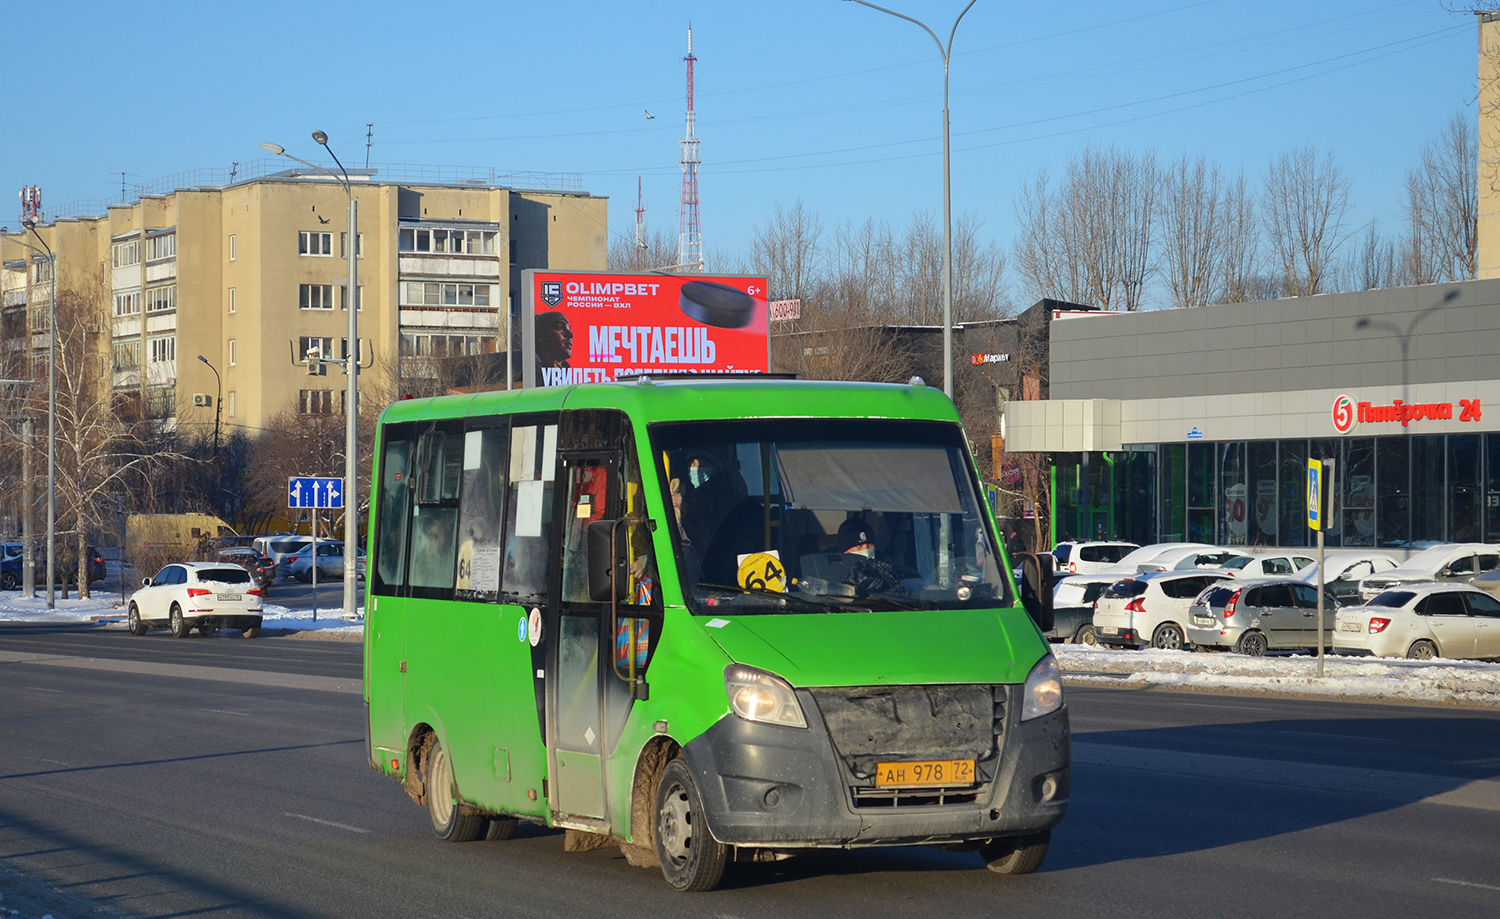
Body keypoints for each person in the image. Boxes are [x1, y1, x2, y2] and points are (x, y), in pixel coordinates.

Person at [534, 312, 573, 384]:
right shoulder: (521, 368)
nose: (570, 335)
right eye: (560, 327)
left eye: (569, 329)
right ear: (541, 336)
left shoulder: (565, 374)